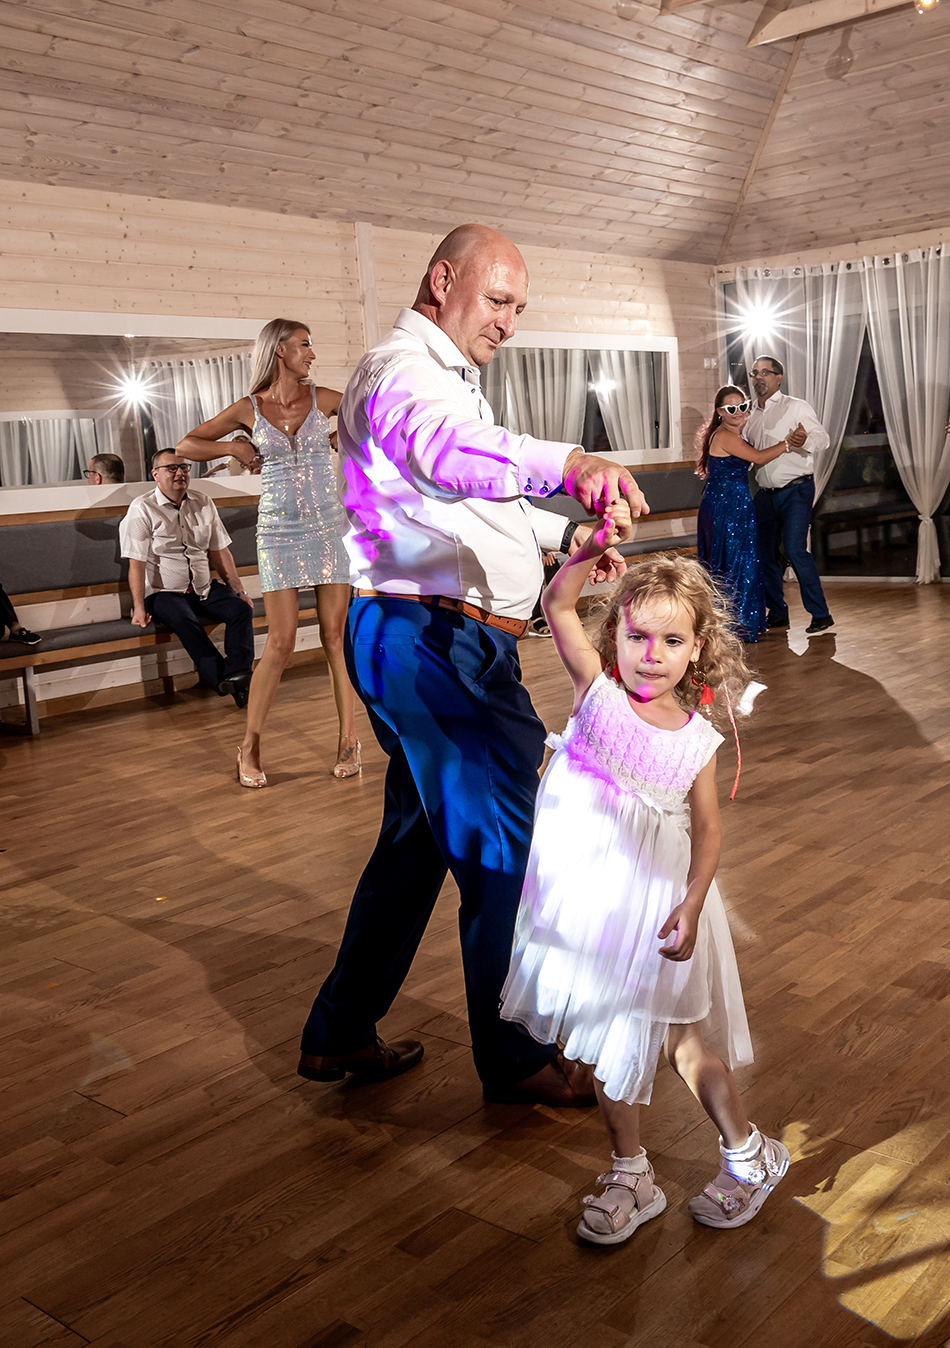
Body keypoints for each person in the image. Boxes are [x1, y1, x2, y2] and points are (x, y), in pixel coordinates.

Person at [298, 222, 646, 1108]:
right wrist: (569, 462)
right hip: (432, 645)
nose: (508, 323)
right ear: (442, 280)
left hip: (434, 641)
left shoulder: (446, 378)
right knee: (509, 850)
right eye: (497, 301)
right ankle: (518, 1058)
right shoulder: (401, 371)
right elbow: (446, 456)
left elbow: (475, 504)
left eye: (517, 308)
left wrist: (566, 533)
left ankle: (340, 1032)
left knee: (415, 848)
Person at [501, 524, 786, 1244]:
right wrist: (584, 550)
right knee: (604, 1039)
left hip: (659, 910)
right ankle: (631, 1173)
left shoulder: (696, 740)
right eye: (636, 637)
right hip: (589, 906)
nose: (650, 655)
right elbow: (558, 604)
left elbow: (708, 831)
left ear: (697, 649)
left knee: (684, 1045)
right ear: (615, 639)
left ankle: (749, 1154)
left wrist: (692, 901)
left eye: (670, 641)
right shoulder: (594, 694)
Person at [178, 319, 361, 787]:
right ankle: (250, 744)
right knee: (280, 643)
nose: (311, 354)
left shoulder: (324, 399)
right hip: (278, 531)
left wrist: (345, 436)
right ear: (280, 350)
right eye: (305, 345)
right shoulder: (249, 408)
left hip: (327, 526)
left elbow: (374, 418)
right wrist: (234, 447)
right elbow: (186, 445)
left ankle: (349, 740)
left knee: (335, 637)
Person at [120, 450, 257, 710]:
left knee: (240, 609)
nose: (180, 473)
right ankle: (225, 681)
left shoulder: (203, 502)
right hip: (163, 592)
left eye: (184, 467)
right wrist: (138, 607)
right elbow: (136, 562)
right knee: (185, 620)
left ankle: (238, 674)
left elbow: (220, 551)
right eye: (171, 468)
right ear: (155, 474)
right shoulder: (142, 508)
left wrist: (239, 591)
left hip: (203, 588)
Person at [744, 356, 833, 636]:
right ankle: (778, 612)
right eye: (754, 373)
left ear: (778, 377)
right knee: (763, 553)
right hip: (765, 493)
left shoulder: (796, 406)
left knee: (794, 549)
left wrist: (805, 440)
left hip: (796, 489)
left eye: (765, 372)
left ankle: (821, 614)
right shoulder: (749, 415)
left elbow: (823, 439)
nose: (759, 378)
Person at [695, 387, 792, 642]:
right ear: (720, 412)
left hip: (733, 503)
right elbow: (758, 457)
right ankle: (734, 625)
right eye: (731, 408)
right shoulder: (725, 436)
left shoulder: (734, 432)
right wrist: (788, 443)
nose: (738, 412)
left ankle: (734, 623)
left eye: (742, 406)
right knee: (735, 561)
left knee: (736, 560)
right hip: (725, 506)